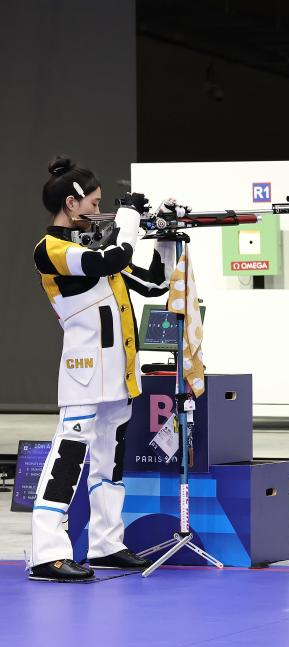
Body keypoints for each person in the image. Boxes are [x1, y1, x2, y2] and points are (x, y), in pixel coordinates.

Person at [29, 155, 176, 581]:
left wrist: (166, 235)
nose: (99, 210)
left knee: (110, 462)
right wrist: (128, 219)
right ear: (71, 203)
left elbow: (155, 282)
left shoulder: (95, 251)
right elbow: (108, 260)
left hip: (118, 372)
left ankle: (107, 544)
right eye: (94, 203)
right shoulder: (52, 249)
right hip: (84, 372)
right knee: (69, 457)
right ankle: (47, 552)